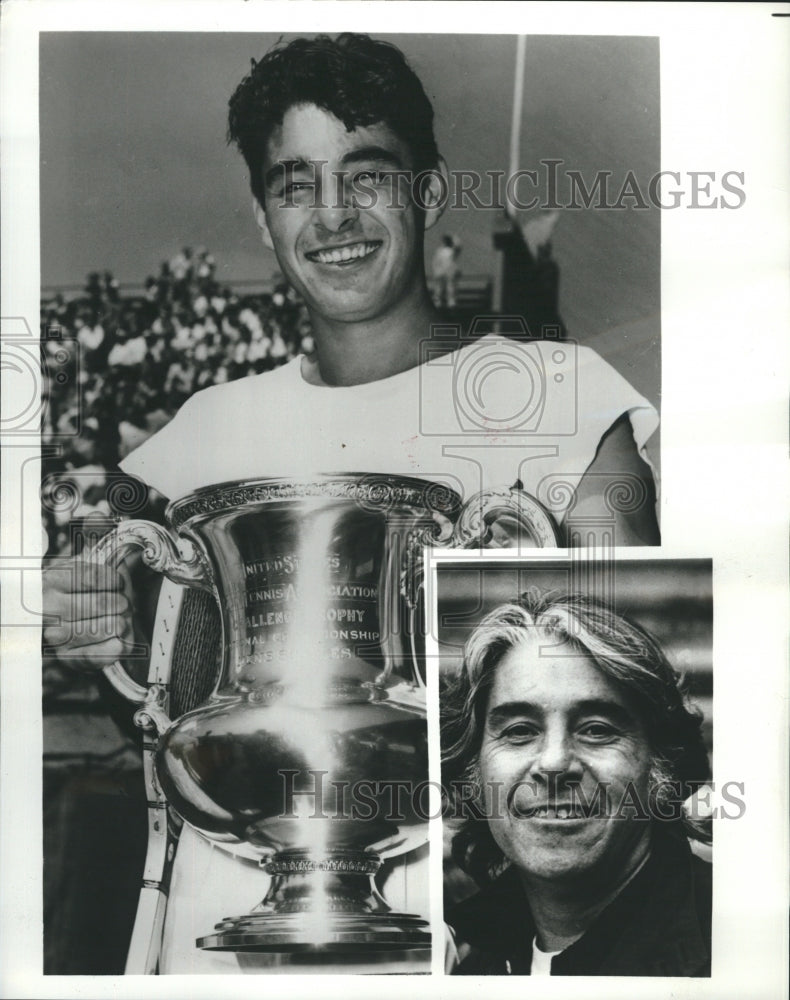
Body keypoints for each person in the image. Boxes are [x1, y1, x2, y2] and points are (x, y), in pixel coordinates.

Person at [43, 33, 661, 972]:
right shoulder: (196, 437)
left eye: (367, 175)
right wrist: (90, 619)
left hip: (471, 927)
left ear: (428, 192)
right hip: (223, 918)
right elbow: (142, 665)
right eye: (296, 185)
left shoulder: (570, 402)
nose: (333, 217)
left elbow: (636, 672)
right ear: (261, 214)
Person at [441, 591, 712, 976]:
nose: (553, 763)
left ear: (660, 768)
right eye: (519, 731)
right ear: (474, 772)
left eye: (597, 730)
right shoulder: (461, 962)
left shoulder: (735, 945)